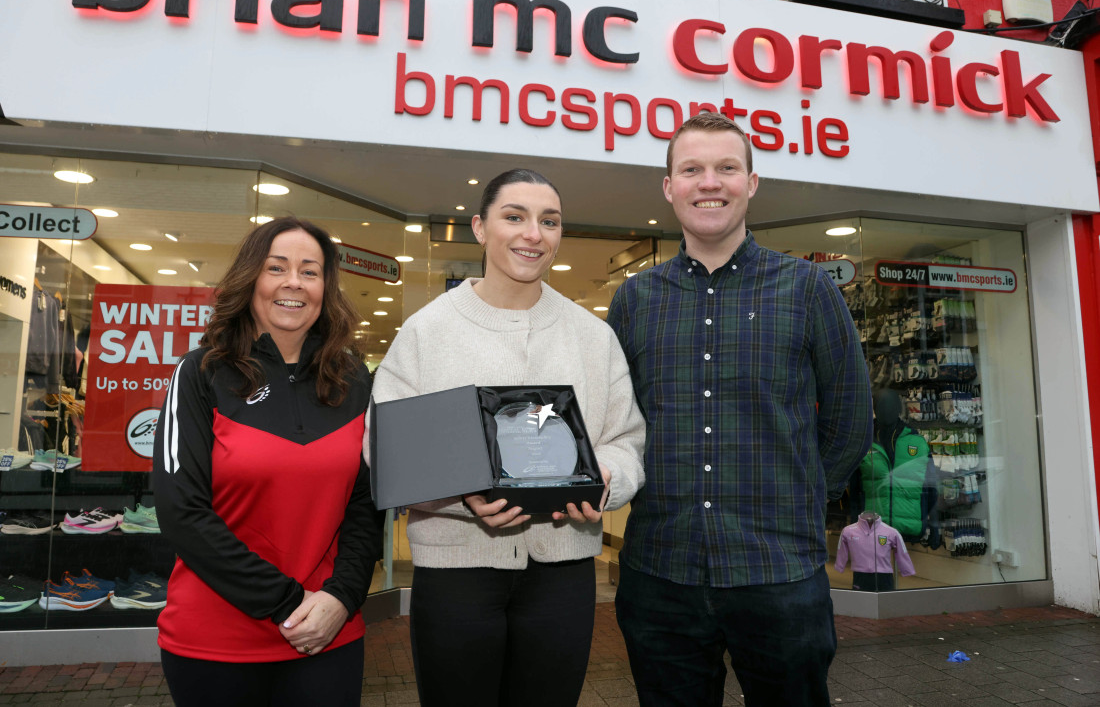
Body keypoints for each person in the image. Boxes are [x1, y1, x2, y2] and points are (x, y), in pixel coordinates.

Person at [607, 112, 872, 706]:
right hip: (660, 573)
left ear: (750, 183)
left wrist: (800, 497)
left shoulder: (808, 288)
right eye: (692, 169)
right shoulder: (635, 299)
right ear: (669, 186)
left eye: (726, 167)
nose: (710, 182)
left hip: (779, 572)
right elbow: (614, 420)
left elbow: (851, 422)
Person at [371, 168, 646, 707]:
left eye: (549, 221)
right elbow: (385, 447)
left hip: (563, 571)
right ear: (479, 228)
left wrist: (607, 479)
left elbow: (625, 439)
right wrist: (463, 493)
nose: (533, 234)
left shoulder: (593, 336)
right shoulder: (427, 331)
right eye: (515, 217)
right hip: (456, 572)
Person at [153, 216, 385, 707]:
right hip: (216, 640)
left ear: (326, 287)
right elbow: (181, 512)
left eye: (310, 271)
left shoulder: (354, 379)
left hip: (328, 631)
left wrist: (342, 598)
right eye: (276, 268)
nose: (293, 283)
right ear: (250, 279)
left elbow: (366, 505)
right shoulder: (201, 372)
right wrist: (290, 602)